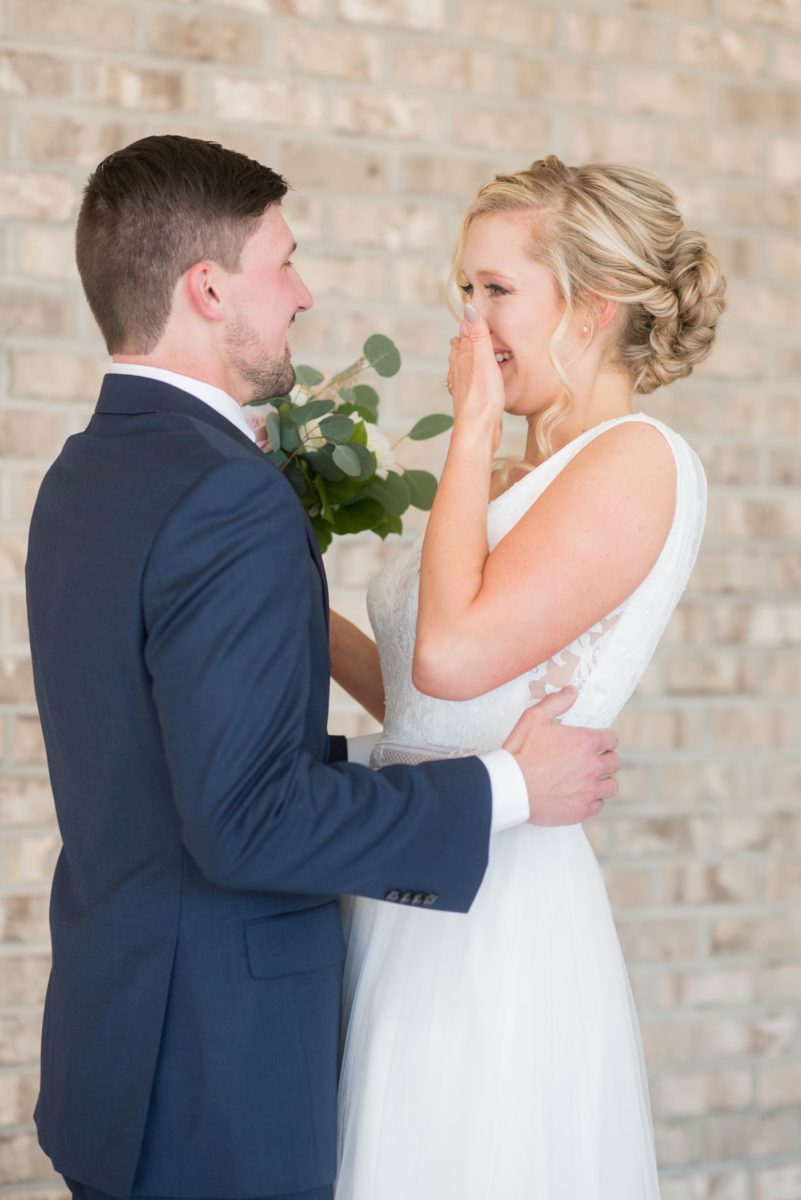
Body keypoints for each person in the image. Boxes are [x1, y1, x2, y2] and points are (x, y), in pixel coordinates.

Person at [25, 136, 621, 1200]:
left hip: (118, 1041)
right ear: (209, 289)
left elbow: (175, 764)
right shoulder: (227, 496)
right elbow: (249, 820)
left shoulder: (83, 475)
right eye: (283, 262)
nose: (302, 293)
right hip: (221, 1066)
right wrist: (511, 786)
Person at [334, 155, 726, 1199]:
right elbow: (429, 701)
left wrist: (467, 426)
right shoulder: (510, 472)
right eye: (465, 291)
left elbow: (453, 655)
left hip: (495, 915)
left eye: (497, 290)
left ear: (593, 308)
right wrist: (282, 592)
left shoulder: (638, 461)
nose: (470, 322)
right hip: (406, 868)